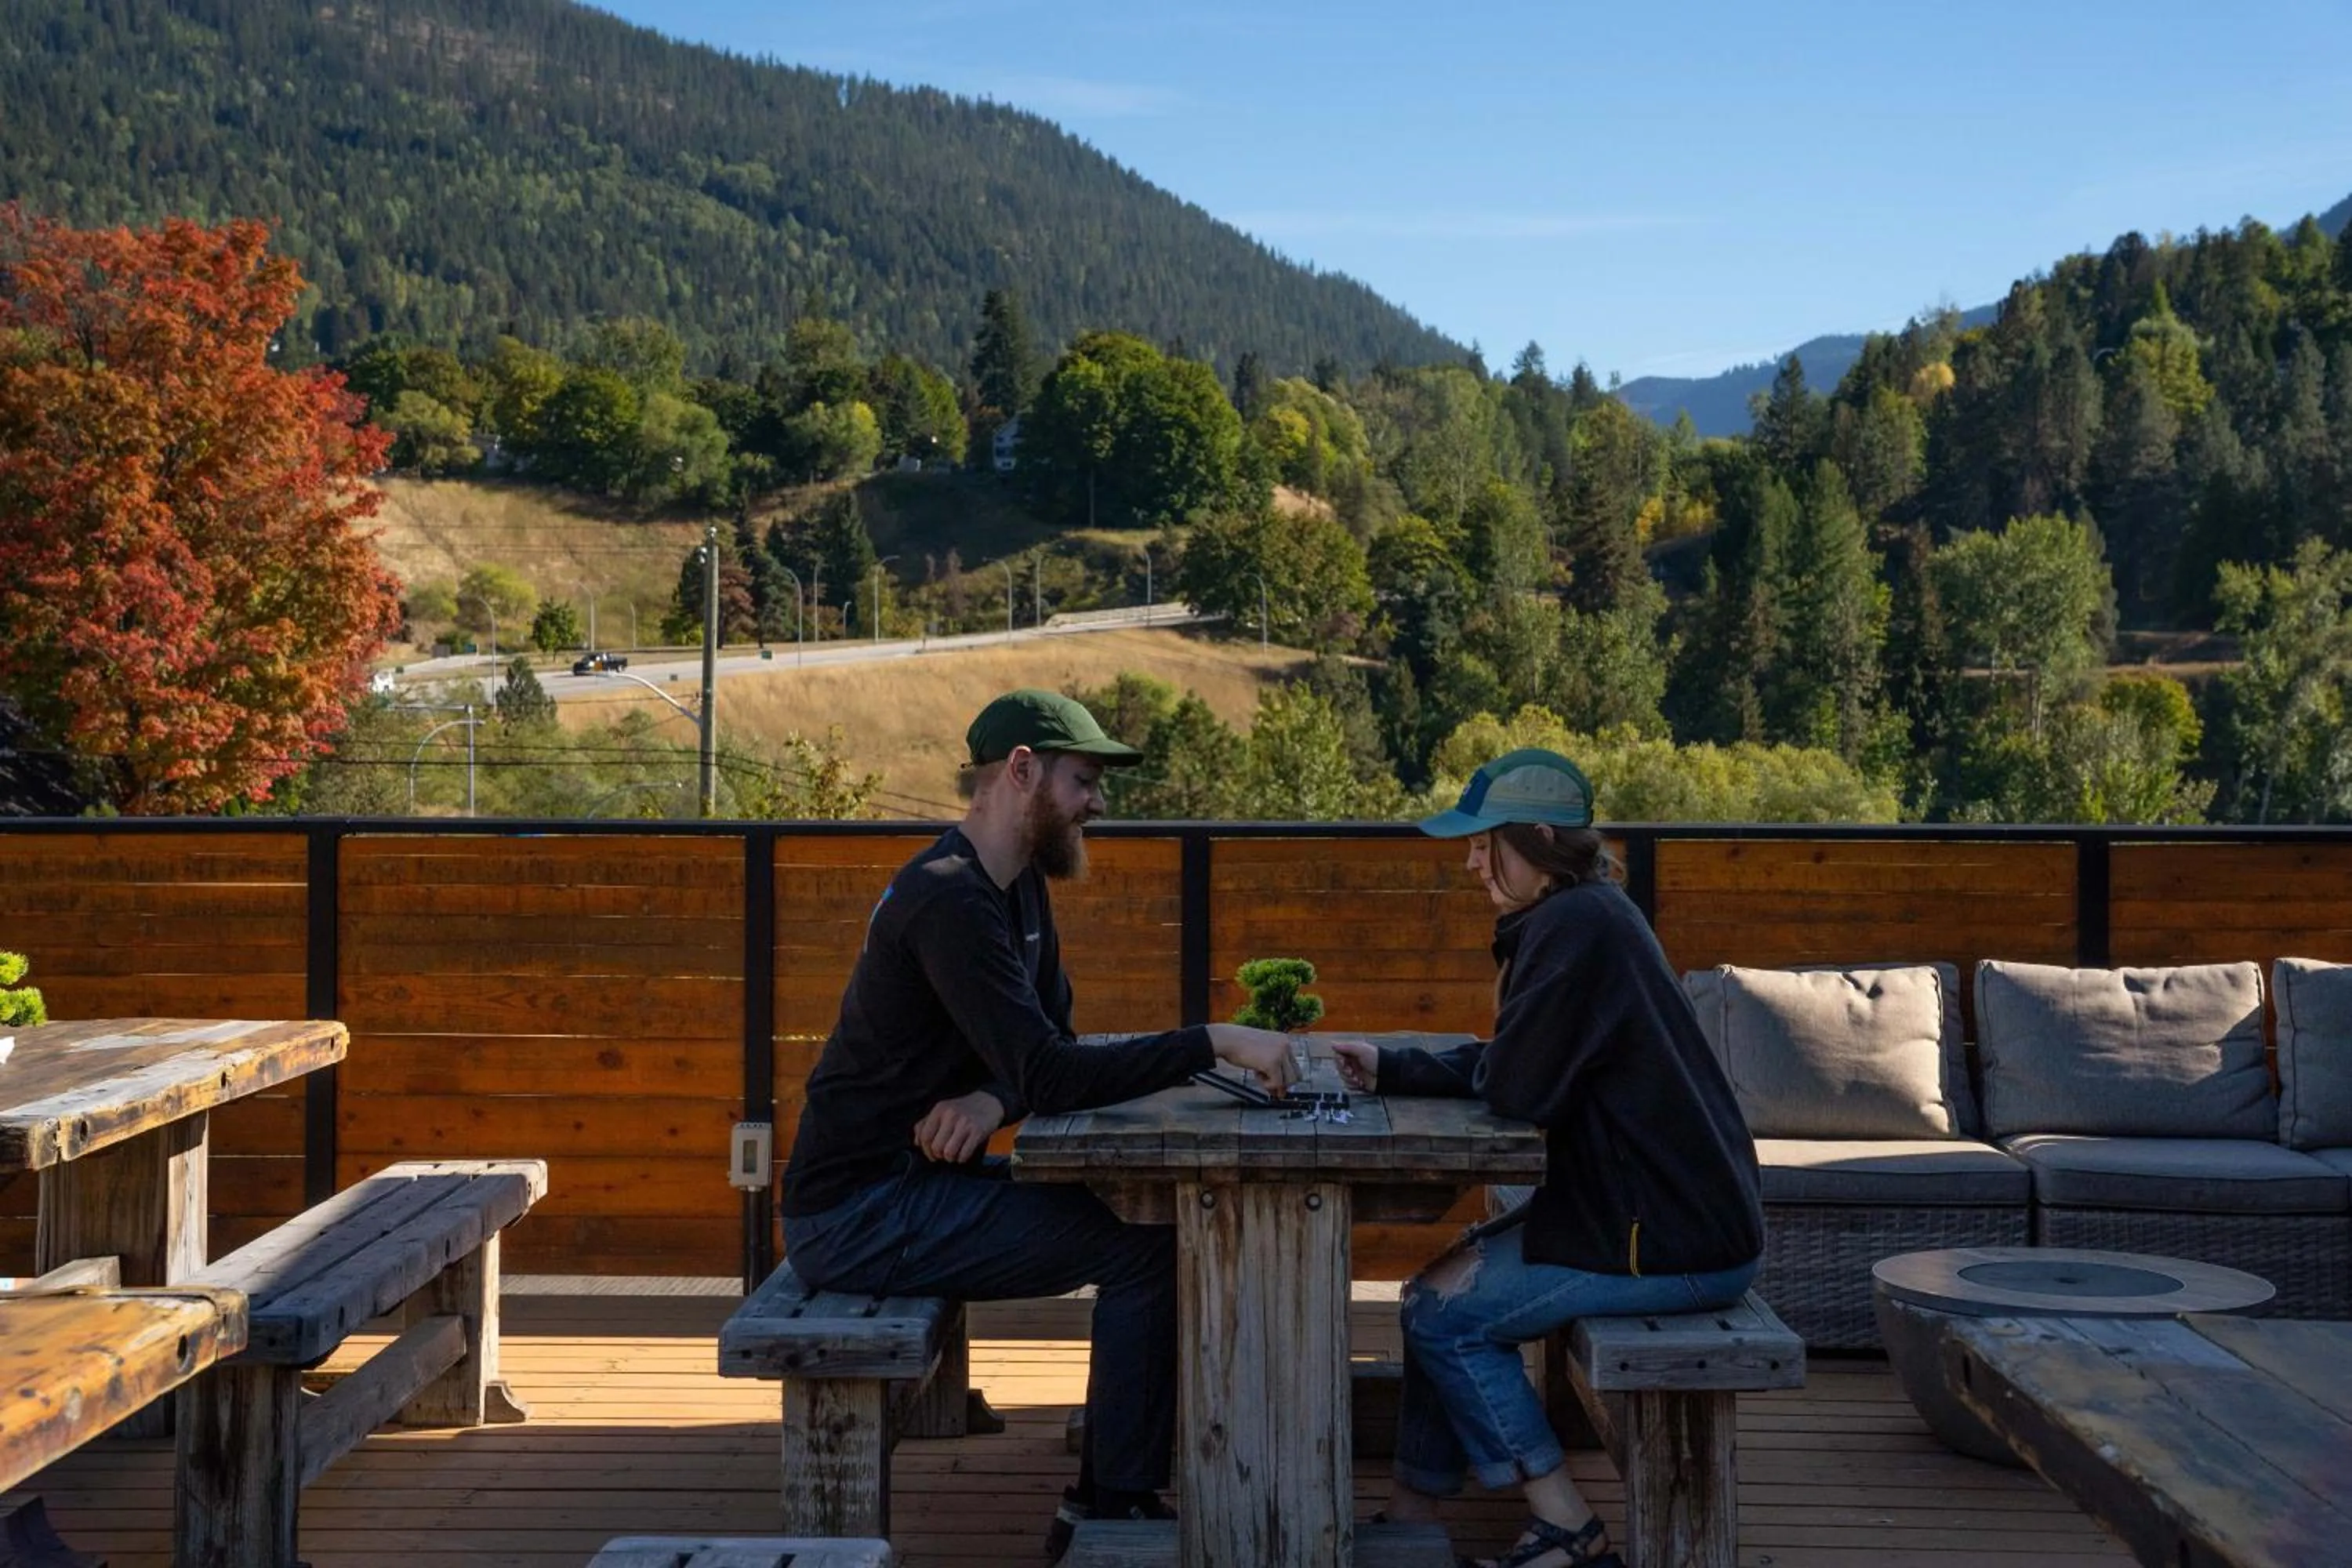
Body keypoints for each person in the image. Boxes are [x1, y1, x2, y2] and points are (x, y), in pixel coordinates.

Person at [778, 688, 1301, 1561]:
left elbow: (1043, 1049)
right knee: (1143, 1248)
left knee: (1145, 1231)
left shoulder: (1013, 891)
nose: (1098, 802)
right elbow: (1056, 1071)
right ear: (1022, 771)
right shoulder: (949, 899)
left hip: (910, 1184)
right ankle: (1112, 1506)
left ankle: (1117, 1485)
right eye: (1084, 780)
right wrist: (1217, 1038)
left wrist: (991, 1098)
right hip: (857, 1211)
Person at [1331, 748, 1763, 1568]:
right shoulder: (1589, 912)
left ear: (1536, 837)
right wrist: (1394, 1064)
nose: (1468, 861)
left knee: (1445, 1318)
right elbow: (1517, 1061)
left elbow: (1520, 1088)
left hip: (1670, 1237)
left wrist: (1447, 1051)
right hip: (1652, 1210)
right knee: (1430, 1288)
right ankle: (1410, 1513)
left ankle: (1567, 1524)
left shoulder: (1572, 926)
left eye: (1482, 840)